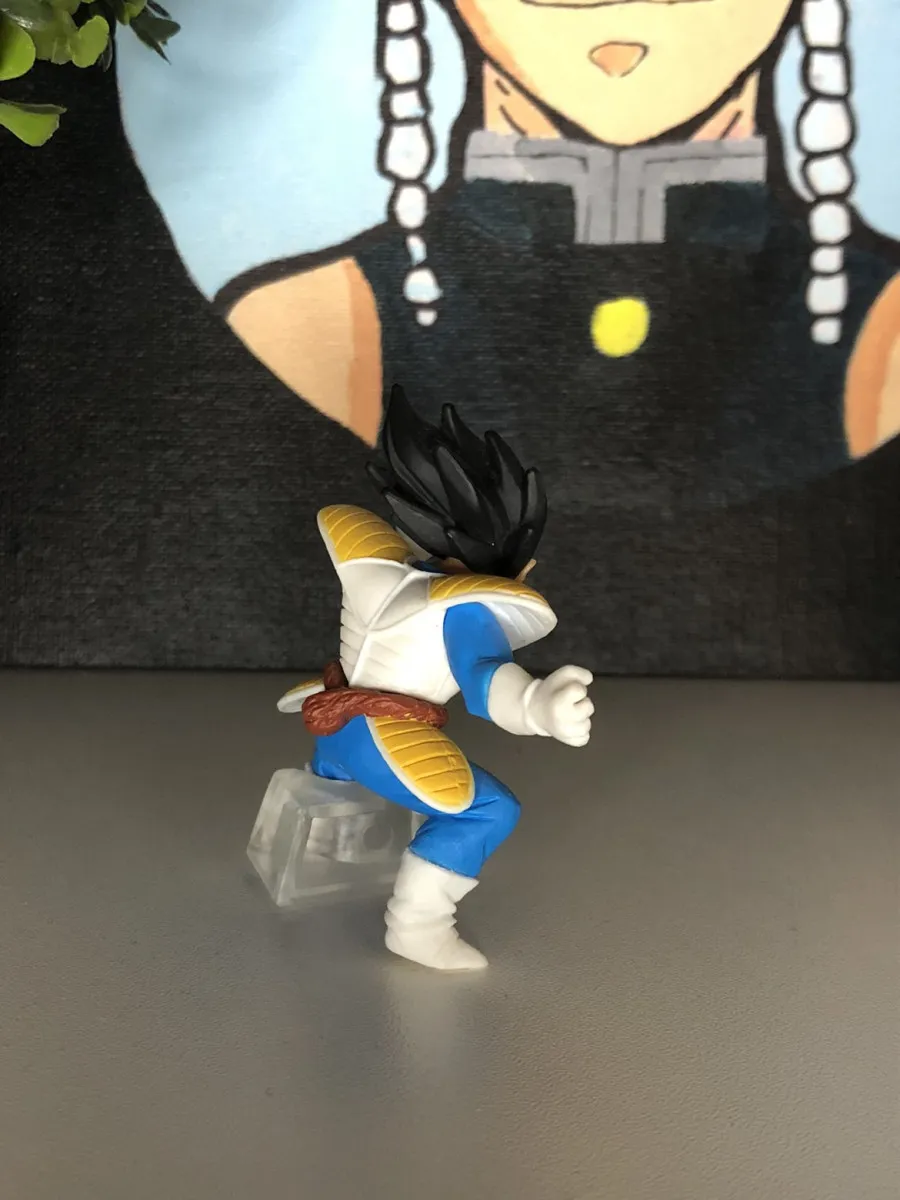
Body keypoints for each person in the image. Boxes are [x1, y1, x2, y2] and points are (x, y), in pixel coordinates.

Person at [277, 385, 593, 970]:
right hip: (380, 734)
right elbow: (485, 680)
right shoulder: (465, 606)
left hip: (329, 727)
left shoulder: (388, 564)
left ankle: (325, 842)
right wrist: (540, 706)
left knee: (363, 788)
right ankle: (417, 925)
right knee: (488, 811)